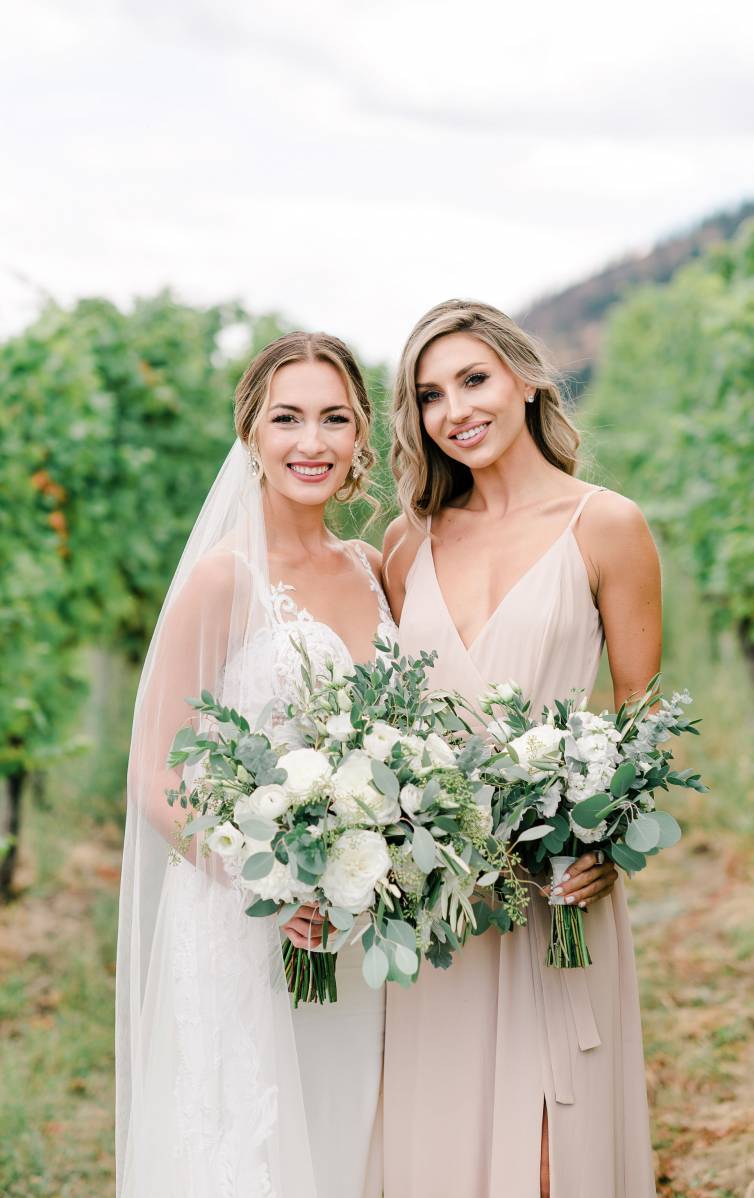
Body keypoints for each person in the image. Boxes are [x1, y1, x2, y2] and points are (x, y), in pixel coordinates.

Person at [381, 299, 661, 1198]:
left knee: (550, 1152)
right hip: (440, 903)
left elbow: (638, 714)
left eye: (473, 379)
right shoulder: (405, 542)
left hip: (553, 888)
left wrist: (607, 841)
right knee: (437, 1147)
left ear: (527, 377)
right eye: (430, 395)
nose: (454, 409)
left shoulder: (606, 524)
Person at [116, 332, 395, 1198]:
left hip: (350, 918)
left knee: (340, 1131)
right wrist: (266, 886)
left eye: (333, 419)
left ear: (360, 441)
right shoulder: (223, 579)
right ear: (252, 436)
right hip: (247, 914)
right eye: (287, 418)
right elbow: (157, 774)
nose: (311, 442)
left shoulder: (372, 567)